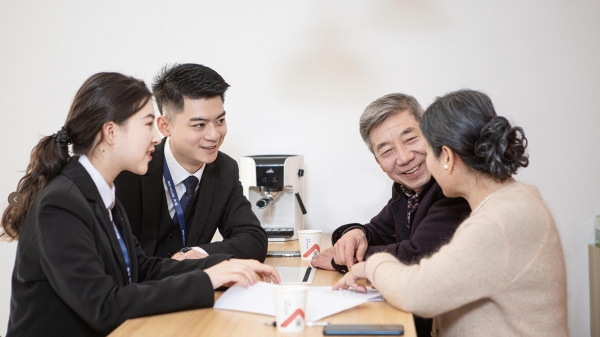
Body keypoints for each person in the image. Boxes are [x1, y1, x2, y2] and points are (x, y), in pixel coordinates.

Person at [2, 72, 280, 337]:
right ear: (111, 133)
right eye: (148, 124)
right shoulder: (61, 203)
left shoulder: (102, 193)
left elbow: (144, 269)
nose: (156, 137)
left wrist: (221, 268)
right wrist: (207, 280)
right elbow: (104, 306)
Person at [334, 89, 568, 336]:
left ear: (446, 157)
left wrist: (370, 266)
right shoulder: (504, 202)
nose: (411, 160)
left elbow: (419, 293)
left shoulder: (501, 220)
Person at [311, 93, 470, 336]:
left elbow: (419, 255)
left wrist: (342, 260)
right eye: (387, 151)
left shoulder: (452, 187)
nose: (404, 158)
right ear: (377, 161)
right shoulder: (407, 190)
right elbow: (378, 230)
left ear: (431, 134)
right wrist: (355, 233)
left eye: (410, 139)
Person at [115, 63, 267, 261]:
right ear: (165, 126)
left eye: (220, 121)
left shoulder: (224, 170)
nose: (214, 135)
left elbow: (254, 239)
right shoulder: (132, 169)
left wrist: (201, 254)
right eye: (199, 125)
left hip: (191, 288)